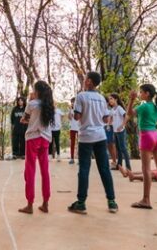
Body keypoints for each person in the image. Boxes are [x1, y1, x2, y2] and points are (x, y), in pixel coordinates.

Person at [68, 71, 118, 215]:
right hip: (100, 136)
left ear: (89, 81)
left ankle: (81, 203)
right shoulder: (102, 98)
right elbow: (105, 119)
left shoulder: (81, 96)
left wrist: (73, 112)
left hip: (86, 137)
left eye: (85, 79)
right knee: (104, 169)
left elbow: (77, 117)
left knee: (84, 169)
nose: (84, 81)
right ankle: (112, 202)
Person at [124, 84, 157, 210]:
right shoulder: (156, 108)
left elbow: (129, 113)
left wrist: (131, 99)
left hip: (146, 136)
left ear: (147, 93)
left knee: (146, 169)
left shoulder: (144, 106)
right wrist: (151, 125)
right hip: (156, 137)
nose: (140, 94)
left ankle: (146, 199)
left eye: (141, 92)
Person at [19, 81, 54, 214]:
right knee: (45, 171)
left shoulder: (32, 104)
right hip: (45, 139)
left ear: (37, 91)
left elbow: (24, 119)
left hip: (32, 138)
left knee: (30, 170)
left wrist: (30, 120)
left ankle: (29, 204)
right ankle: (45, 203)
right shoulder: (49, 105)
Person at [109, 93, 131, 171]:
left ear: (116, 99)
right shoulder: (112, 110)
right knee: (118, 149)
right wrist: (109, 125)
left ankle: (128, 167)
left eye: (111, 98)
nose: (110, 100)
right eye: (109, 99)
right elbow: (110, 118)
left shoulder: (119, 108)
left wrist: (122, 125)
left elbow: (126, 116)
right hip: (115, 132)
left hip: (121, 131)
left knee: (123, 148)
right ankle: (119, 165)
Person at [105, 96, 117, 168]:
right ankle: (109, 161)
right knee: (105, 145)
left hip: (109, 128)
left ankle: (114, 161)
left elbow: (111, 119)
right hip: (103, 127)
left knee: (111, 145)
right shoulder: (101, 109)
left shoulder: (110, 110)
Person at [68, 97, 79, 165]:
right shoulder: (71, 110)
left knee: (80, 144)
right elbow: (69, 117)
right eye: (72, 102)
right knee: (72, 143)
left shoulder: (79, 110)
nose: (73, 103)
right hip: (72, 128)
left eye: (74, 102)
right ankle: (72, 158)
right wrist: (70, 110)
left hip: (79, 128)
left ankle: (79, 159)